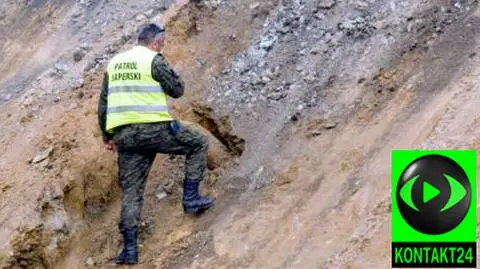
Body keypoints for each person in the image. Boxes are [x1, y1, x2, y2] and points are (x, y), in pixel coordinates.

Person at [97, 23, 216, 265]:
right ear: (155, 42)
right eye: (162, 43)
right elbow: (177, 90)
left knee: (131, 191)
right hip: (154, 129)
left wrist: (107, 136)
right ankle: (191, 198)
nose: (162, 46)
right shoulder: (153, 59)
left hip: (125, 137)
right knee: (197, 143)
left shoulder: (114, 64)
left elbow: (103, 105)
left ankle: (130, 250)